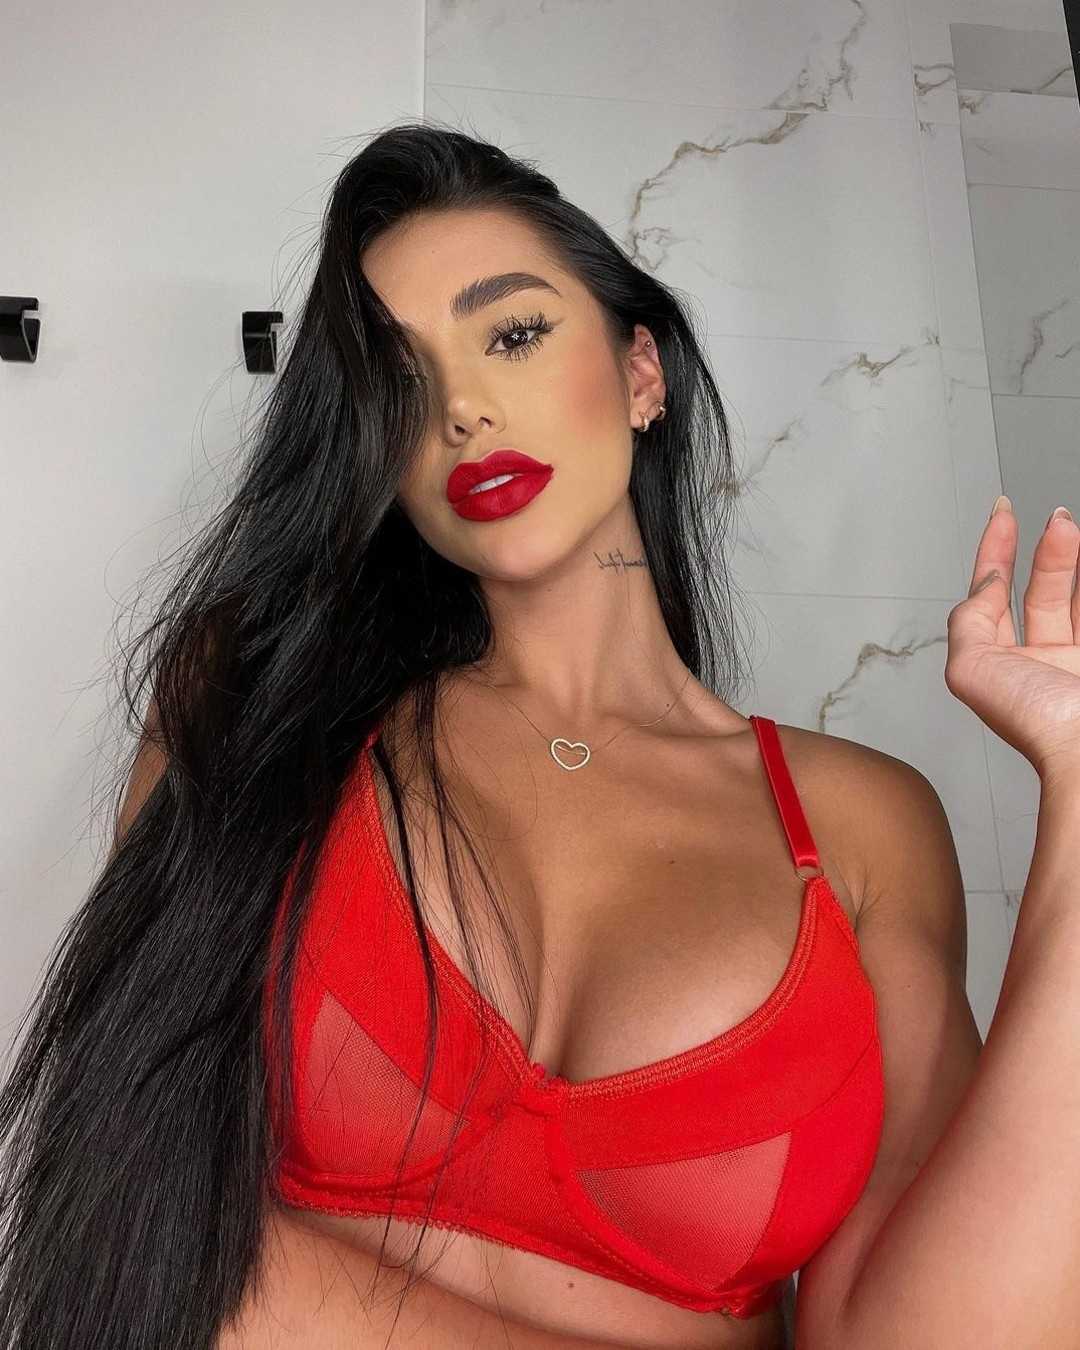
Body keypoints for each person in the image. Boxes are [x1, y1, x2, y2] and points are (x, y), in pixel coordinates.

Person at [2, 119, 1078, 1350]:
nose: (462, 409)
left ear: (641, 372)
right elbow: (125, 1222)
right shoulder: (254, 700)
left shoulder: (861, 824)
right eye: (399, 382)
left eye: (512, 334)